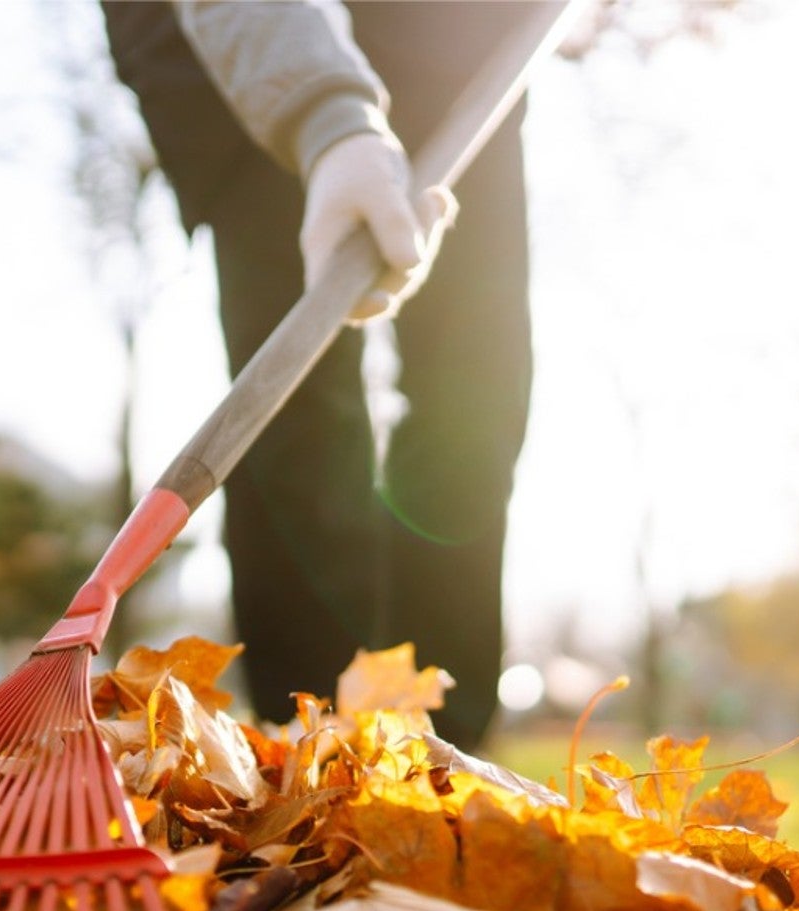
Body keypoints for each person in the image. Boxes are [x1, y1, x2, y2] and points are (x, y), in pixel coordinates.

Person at [102, 1, 535, 751]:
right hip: (237, 65)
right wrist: (329, 122)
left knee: (475, 391)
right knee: (296, 416)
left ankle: (445, 751)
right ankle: (306, 748)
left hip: (465, 53)